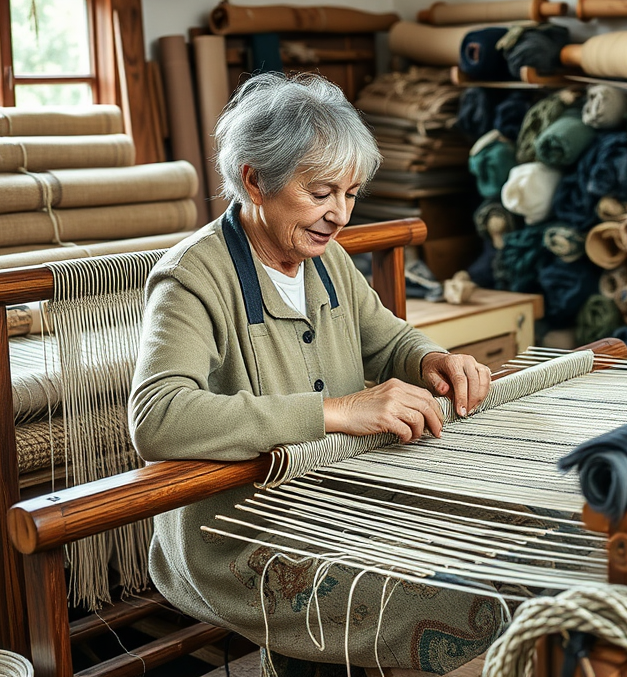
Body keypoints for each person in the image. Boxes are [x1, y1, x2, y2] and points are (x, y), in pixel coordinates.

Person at [128, 72, 502, 675]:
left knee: (501, 551)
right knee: (455, 599)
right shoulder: (192, 278)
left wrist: (434, 359)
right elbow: (158, 418)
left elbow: (389, 340)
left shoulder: (325, 260)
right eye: (322, 191)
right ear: (255, 179)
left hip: (343, 499)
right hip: (242, 534)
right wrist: (335, 411)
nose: (340, 215)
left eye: (351, 194)